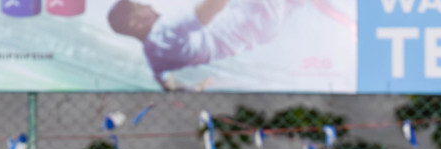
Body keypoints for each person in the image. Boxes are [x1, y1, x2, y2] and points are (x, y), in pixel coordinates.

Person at [108, 0, 303, 84]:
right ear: (135, 23)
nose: (147, 5)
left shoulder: (152, 54)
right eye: (140, 6)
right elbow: (211, 8)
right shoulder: (165, 28)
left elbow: (166, 82)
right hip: (254, 16)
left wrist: (194, 88)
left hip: (258, 32)